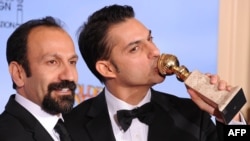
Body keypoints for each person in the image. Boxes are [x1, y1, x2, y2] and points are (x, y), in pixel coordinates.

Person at [64, 4, 245, 141]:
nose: (155, 52)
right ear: (107, 68)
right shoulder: (70, 126)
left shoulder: (192, 116)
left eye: (150, 39)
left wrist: (231, 118)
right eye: (135, 48)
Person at [0, 16, 78, 141]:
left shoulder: (82, 128)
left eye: (72, 62)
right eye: (52, 62)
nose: (69, 76)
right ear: (18, 74)